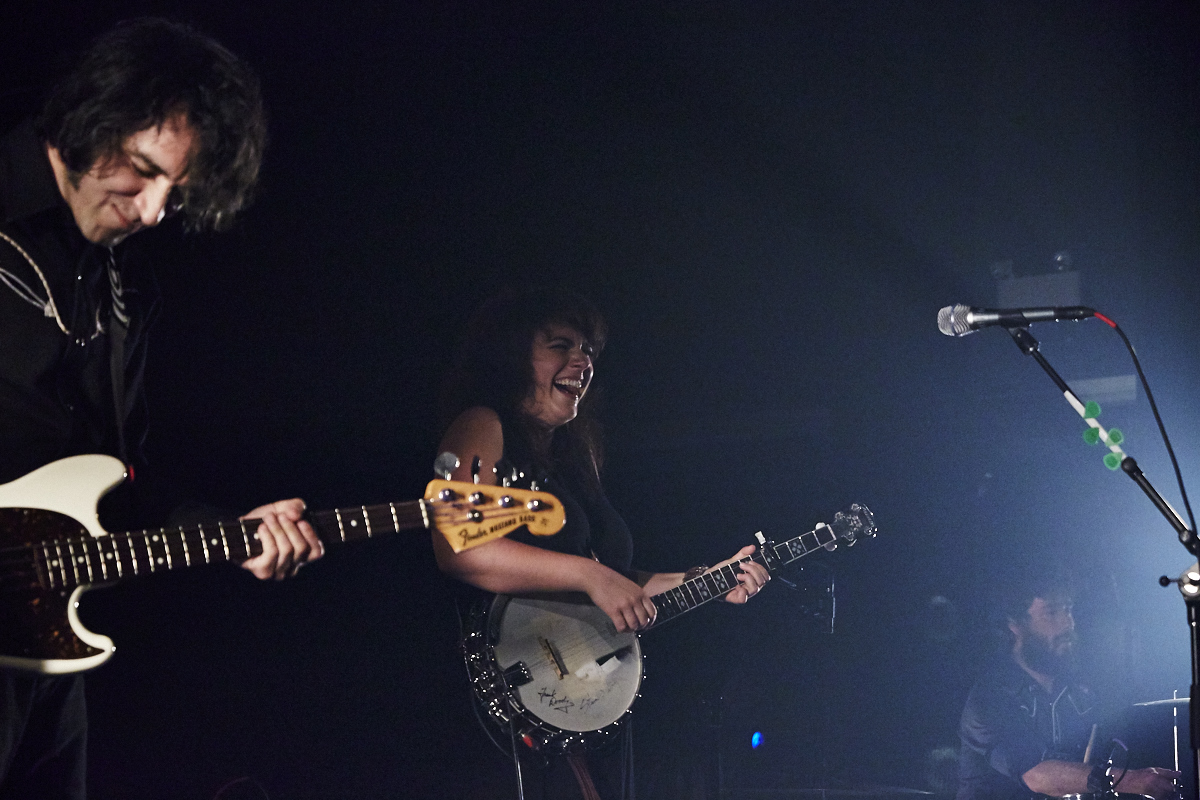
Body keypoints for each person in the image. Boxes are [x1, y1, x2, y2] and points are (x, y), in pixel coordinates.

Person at [0, 18, 323, 798]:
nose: (149, 211)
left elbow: (125, 478)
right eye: (141, 172)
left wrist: (230, 534)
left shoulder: (121, 285)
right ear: (92, 117)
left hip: (40, 655)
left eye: (172, 192)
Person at [433, 287, 770, 799]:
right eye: (560, 345)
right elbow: (458, 547)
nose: (582, 361)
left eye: (588, 350)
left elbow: (609, 579)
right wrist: (592, 576)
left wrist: (703, 580)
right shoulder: (483, 424)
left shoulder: (574, 458)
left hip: (575, 703)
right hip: (500, 704)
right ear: (511, 352)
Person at [956, 570, 1178, 800]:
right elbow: (1037, 775)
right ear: (1015, 625)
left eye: (1068, 609)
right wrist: (1130, 780)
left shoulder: (1083, 690)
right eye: (1051, 612)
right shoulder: (992, 697)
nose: (1067, 623)